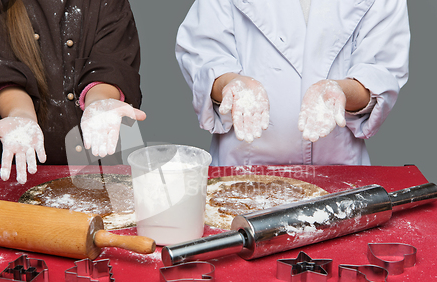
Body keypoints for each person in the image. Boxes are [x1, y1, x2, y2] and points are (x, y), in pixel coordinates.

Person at [175, 0, 410, 166]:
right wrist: (232, 84)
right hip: (244, 170)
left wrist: (340, 92)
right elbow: (203, 53)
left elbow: (380, 71)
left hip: (340, 172)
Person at [0, 0, 145, 184]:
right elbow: (2, 74)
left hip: (99, 172)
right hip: (24, 172)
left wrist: (99, 103)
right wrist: (20, 116)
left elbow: (109, 65)